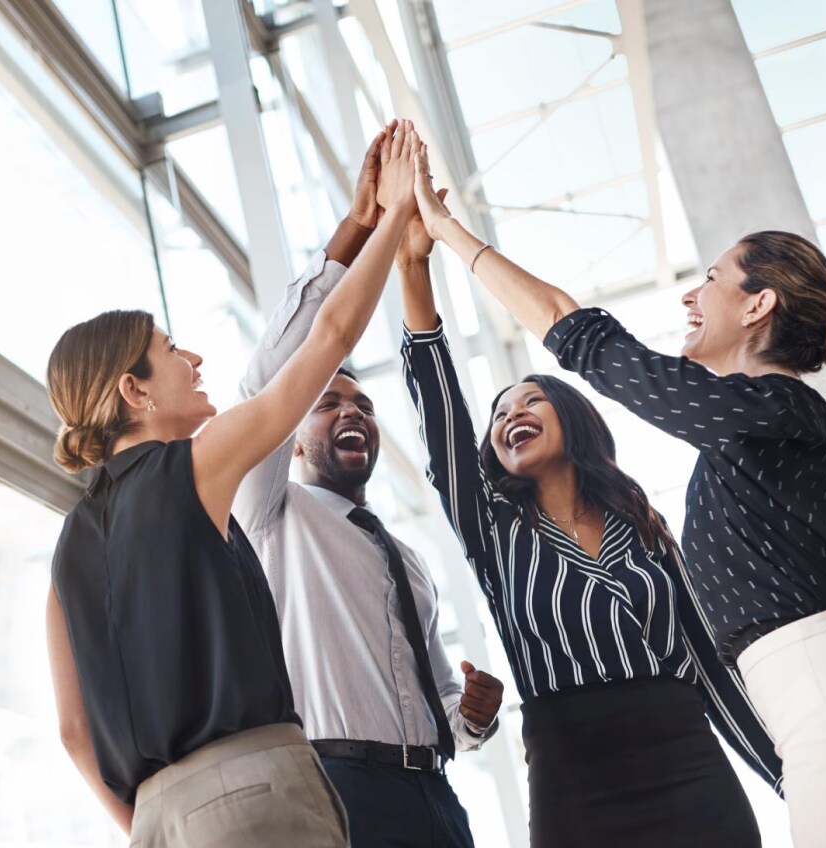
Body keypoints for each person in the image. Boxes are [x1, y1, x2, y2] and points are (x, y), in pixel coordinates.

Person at [409, 147, 826, 848]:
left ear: (758, 305)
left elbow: (577, 332)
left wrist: (445, 231)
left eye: (710, 280)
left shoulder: (757, 414)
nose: (690, 297)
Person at [43, 121, 421, 846]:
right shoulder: (192, 467)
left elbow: (72, 731)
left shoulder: (66, 548)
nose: (193, 357)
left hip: (159, 820)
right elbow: (329, 342)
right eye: (169, 350)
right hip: (255, 787)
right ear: (135, 391)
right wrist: (399, 213)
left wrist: (156, 819)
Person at [398, 150, 779, 848]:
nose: (511, 412)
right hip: (574, 779)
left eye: (531, 397)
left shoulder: (645, 527)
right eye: (499, 412)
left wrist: (793, 775)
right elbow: (439, 409)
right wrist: (414, 266)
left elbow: (709, 662)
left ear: (571, 419)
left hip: (689, 761)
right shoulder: (494, 530)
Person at [232, 121, 503, 848]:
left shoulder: (403, 559)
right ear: (290, 438)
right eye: (328, 404)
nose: (350, 411)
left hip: (436, 799)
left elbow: (439, 698)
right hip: (337, 791)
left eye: (364, 407)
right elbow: (271, 377)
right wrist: (361, 227)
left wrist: (473, 714)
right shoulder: (268, 513)